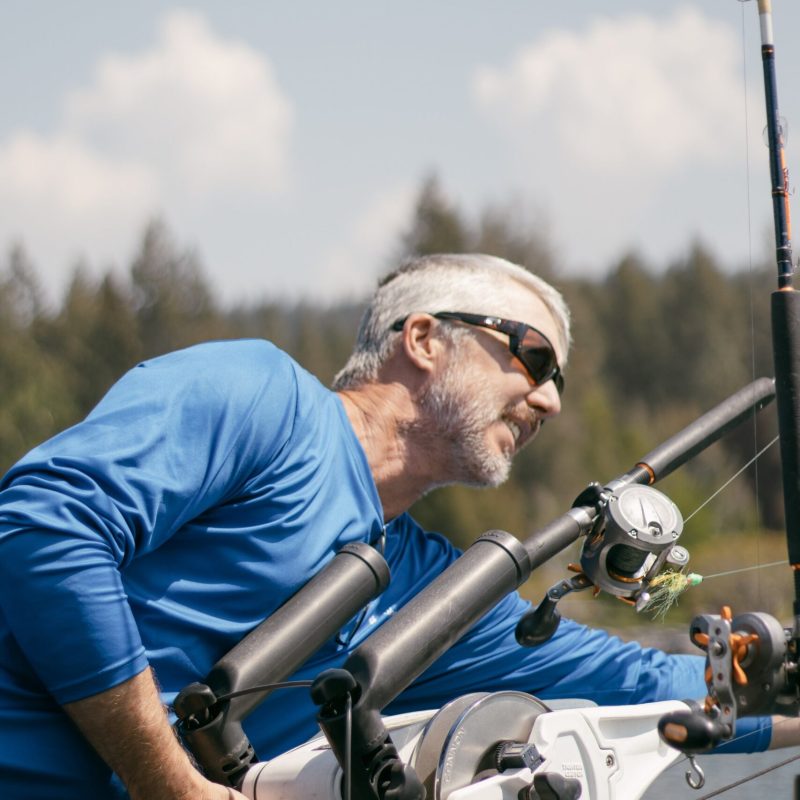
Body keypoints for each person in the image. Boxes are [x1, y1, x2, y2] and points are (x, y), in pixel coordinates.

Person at [0, 254, 787, 799]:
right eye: (534, 358)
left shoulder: (432, 591)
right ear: (422, 339)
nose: (549, 399)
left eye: (560, 382)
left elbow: (649, 686)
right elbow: (44, 529)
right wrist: (165, 779)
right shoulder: (257, 396)